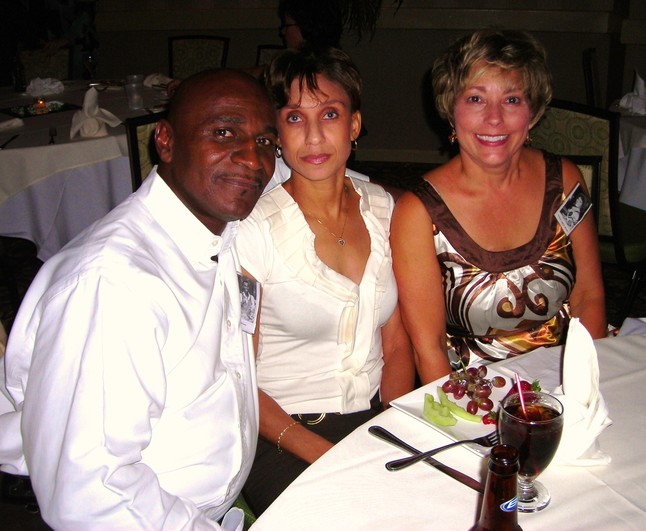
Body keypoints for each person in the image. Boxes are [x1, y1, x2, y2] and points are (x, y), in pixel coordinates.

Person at [0, 69, 277, 530]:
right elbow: (93, 495)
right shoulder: (115, 287)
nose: (253, 158)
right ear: (165, 141)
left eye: (266, 141)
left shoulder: (213, 231)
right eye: (223, 133)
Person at [236, 45, 415, 515]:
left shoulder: (385, 210)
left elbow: (396, 343)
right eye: (295, 118)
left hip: (374, 419)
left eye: (330, 114)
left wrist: (394, 426)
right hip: (282, 434)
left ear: (354, 125)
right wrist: (332, 457)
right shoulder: (253, 231)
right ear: (277, 132)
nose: (314, 136)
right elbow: (237, 377)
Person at [391, 29, 606, 382]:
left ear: (532, 112)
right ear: (451, 110)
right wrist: (458, 413)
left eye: (512, 99)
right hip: (472, 392)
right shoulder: (419, 213)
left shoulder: (566, 182)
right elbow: (428, 348)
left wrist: (586, 389)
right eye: (476, 99)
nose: (494, 118)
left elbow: (589, 296)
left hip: (568, 376)